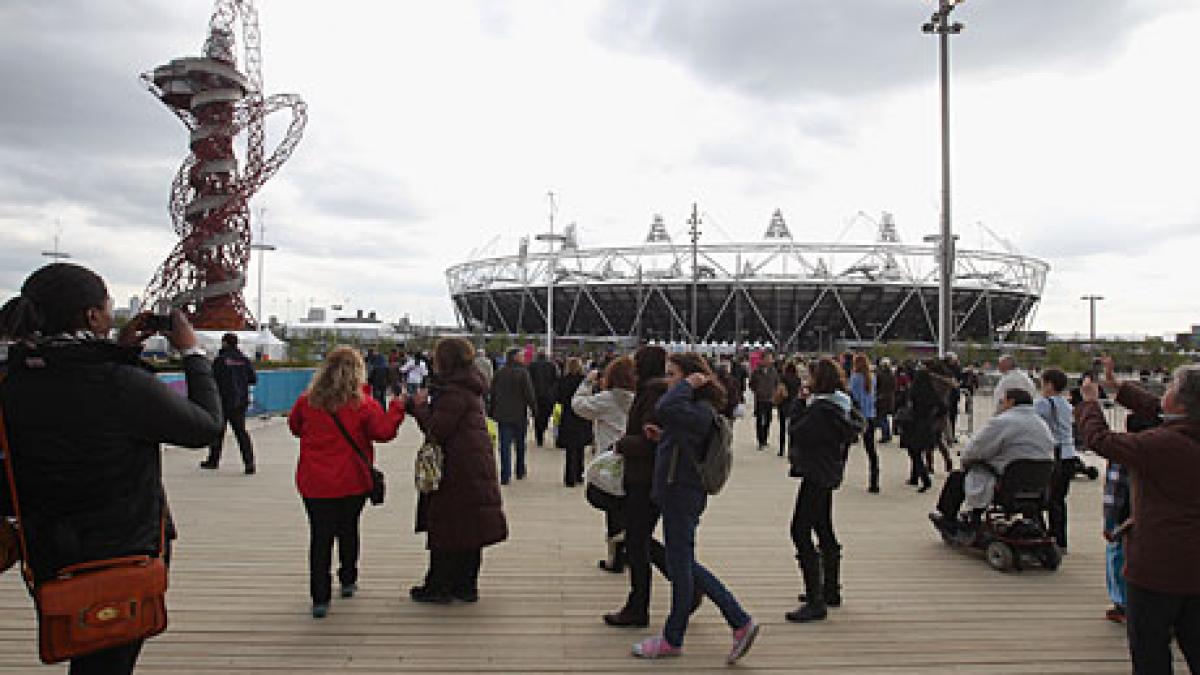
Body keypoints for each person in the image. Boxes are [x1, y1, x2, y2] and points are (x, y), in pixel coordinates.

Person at [0, 263, 223, 674]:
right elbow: (205, 427)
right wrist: (192, 353)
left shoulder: (13, 379)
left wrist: (120, 351)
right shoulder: (117, 383)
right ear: (90, 316)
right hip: (119, 555)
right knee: (108, 661)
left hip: (49, 550)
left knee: (86, 653)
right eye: (107, 307)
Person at [632, 353, 758, 664]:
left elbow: (666, 407)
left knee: (683, 566)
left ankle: (734, 622)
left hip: (681, 494)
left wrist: (688, 384)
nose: (667, 381)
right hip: (679, 490)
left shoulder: (699, 409)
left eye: (673, 374)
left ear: (692, 378)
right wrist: (663, 437)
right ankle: (730, 623)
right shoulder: (694, 410)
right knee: (683, 565)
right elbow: (684, 439)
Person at [1079, 357, 1200, 673]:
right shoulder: (1183, 432)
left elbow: (1100, 440)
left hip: (1158, 567)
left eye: (1171, 386)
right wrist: (1118, 389)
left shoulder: (1161, 444)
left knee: (1151, 653)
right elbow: (1161, 412)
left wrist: (1091, 404)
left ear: (1183, 403)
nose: (1165, 391)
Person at [288, 346, 405, 618]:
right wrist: (398, 408)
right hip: (352, 480)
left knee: (320, 536)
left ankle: (320, 597)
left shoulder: (307, 401)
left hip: (314, 480)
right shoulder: (363, 404)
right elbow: (383, 432)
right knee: (349, 528)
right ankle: (348, 578)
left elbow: (295, 428)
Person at [408, 338, 508, 603]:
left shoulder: (453, 391)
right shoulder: (469, 385)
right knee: (469, 525)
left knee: (446, 524)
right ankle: (465, 585)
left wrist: (419, 406)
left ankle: (438, 586)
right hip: (473, 464)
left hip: (457, 467)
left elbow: (437, 429)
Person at [785, 358, 863, 623]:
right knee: (823, 527)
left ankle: (815, 599)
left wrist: (798, 403)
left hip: (816, 472)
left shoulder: (819, 410)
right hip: (829, 470)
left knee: (800, 530)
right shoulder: (841, 404)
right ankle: (830, 589)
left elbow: (797, 431)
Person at [605, 346, 674, 627]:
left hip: (644, 479)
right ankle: (689, 586)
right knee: (640, 537)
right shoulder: (654, 390)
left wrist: (622, 444)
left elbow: (650, 440)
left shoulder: (652, 393)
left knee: (637, 540)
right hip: (646, 477)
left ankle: (638, 607)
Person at [931, 388, 1054, 533]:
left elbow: (976, 448)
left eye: (1003, 401)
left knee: (957, 478)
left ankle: (949, 519)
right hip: (1038, 483)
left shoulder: (1002, 422)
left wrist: (966, 459)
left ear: (1011, 402)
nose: (1001, 405)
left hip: (1007, 483)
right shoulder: (1041, 424)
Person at [574, 356, 636, 566]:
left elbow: (578, 406)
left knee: (612, 508)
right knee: (631, 508)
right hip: (635, 459)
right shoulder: (639, 398)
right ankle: (629, 552)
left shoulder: (607, 399)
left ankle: (615, 556)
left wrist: (587, 382)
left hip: (610, 459)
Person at [202, 332, 258, 474]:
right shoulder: (244, 360)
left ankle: (213, 460)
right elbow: (253, 379)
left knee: (218, 432)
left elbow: (212, 379)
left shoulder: (220, 360)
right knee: (241, 433)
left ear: (225, 343)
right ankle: (249, 463)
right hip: (240, 401)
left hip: (223, 400)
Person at [1033, 367, 1075, 550]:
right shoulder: (1066, 404)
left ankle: (1043, 534)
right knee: (1059, 500)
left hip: (1053, 453)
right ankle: (1060, 539)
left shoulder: (1044, 404)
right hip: (1069, 454)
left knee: (1042, 497)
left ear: (1049, 384)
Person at [488, 349, 536, 484]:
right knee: (520, 444)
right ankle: (520, 470)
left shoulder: (499, 373)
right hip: (519, 414)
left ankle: (505, 474)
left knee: (504, 445)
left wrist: (491, 411)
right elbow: (529, 393)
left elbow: (493, 393)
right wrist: (533, 408)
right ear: (514, 357)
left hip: (503, 414)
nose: (523, 358)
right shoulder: (523, 373)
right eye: (521, 355)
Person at [901, 368, 944, 493]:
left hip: (913, 424)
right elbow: (943, 407)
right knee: (919, 451)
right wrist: (934, 417)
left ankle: (924, 479)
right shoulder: (931, 392)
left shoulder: (913, 391)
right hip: (926, 424)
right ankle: (915, 477)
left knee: (914, 453)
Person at [556, 357, 592, 487]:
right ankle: (579, 474)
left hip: (568, 416)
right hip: (581, 415)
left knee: (570, 450)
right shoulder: (583, 381)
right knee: (580, 448)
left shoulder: (563, 380)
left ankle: (569, 476)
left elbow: (558, 397)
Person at [848, 353, 879, 493]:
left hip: (857, 415)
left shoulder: (855, 378)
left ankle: (839, 472)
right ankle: (874, 481)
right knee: (871, 450)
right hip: (870, 415)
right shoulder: (872, 378)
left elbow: (852, 396)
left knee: (845, 445)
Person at [749, 352, 779, 451]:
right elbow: (751, 384)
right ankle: (760, 440)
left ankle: (765, 438)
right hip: (760, 399)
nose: (770, 360)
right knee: (759, 419)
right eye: (768, 358)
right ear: (763, 359)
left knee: (768, 420)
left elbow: (776, 383)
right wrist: (757, 391)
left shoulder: (773, 371)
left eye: (771, 358)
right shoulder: (756, 371)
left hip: (770, 399)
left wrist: (774, 393)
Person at [528, 350, 559, 447]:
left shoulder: (531, 366)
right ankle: (542, 429)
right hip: (548, 395)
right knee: (546, 415)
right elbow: (555, 380)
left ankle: (539, 435)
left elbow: (529, 380)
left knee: (537, 415)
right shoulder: (552, 366)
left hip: (535, 394)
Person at [777, 361, 805, 458]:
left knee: (782, 428)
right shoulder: (798, 379)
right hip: (794, 405)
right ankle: (791, 450)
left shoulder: (783, 378)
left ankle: (781, 449)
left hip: (784, 404)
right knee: (793, 428)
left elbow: (783, 392)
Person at [875, 358, 897, 443]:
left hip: (881, 398)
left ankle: (885, 435)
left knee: (882, 417)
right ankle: (887, 434)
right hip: (890, 397)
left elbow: (877, 386)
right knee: (885, 417)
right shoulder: (892, 375)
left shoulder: (880, 375)